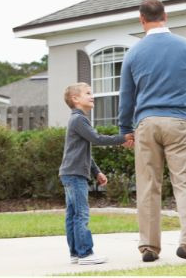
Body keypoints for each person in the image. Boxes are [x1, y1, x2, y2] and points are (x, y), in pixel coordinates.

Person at [118, 0, 186, 264]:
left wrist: (126, 129)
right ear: (165, 16)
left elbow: (127, 96)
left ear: (141, 19)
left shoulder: (134, 53)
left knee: (148, 185)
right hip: (180, 120)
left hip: (147, 123)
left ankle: (149, 246)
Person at [59, 81, 126, 266]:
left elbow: (83, 150)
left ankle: (75, 253)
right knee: (81, 214)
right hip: (74, 174)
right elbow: (96, 139)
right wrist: (123, 138)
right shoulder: (79, 119)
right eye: (88, 93)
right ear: (75, 99)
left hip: (70, 173)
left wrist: (96, 171)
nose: (92, 96)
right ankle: (85, 254)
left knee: (73, 215)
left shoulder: (76, 119)